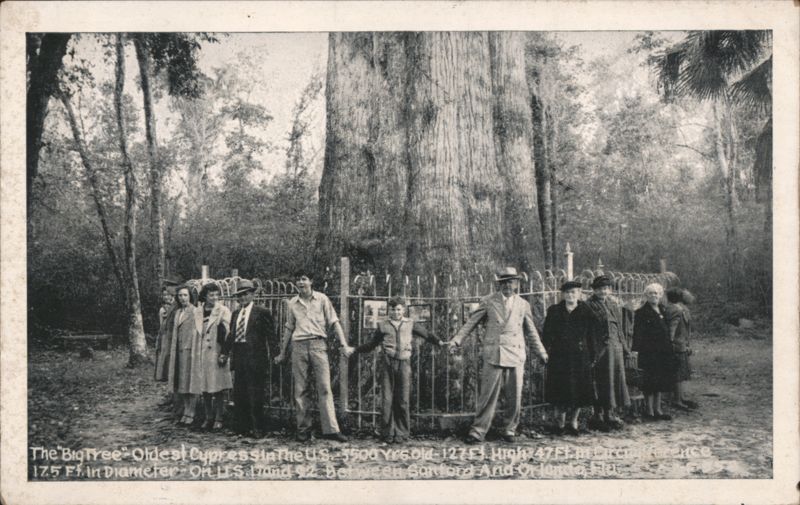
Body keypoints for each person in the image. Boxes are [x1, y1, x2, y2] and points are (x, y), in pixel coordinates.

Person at [448, 267, 549, 444]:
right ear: (499, 284)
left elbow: (531, 331)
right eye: (504, 282)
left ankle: (510, 429)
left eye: (511, 282)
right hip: (494, 353)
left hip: (515, 353)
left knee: (515, 396)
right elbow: (471, 323)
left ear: (517, 284)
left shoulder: (523, 304)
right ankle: (478, 431)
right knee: (487, 395)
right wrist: (457, 340)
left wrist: (541, 352)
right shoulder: (488, 301)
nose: (507, 286)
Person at [347, 297, 444, 444]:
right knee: (387, 399)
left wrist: (439, 342)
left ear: (403, 310)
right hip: (387, 363)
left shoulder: (410, 324)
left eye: (398, 309)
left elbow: (427, 334)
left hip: (404, 363)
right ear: (389, 310)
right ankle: (387, 432)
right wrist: (355, 349)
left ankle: (402, 432)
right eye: (392, 309)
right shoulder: (383, 325)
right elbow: (371, 345)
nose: (396, 312)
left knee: (403, 399)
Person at [274, 272, 354, 442]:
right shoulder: (292, 304)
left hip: (318, 345)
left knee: (324, 387)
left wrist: (343, 344)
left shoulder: (322, 299)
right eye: (298, 279)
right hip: (299, 346)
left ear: (311, 281)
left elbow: (334, 322)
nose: (300, 282)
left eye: (304, 279)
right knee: (300, 389)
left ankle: (331, 430)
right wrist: (282, 352)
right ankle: (303, 429)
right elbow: (289, 328)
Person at [220, 279, 274, 438]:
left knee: (255, 393)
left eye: (245, 294)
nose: (242, 298)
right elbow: (232, 335)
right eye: (239, 296)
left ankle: (258, 428)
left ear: (252, 295)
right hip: (239, 355)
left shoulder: (262, 312)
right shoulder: (236, 313)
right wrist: (224, 352)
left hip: (256, 357)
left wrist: (276, 355)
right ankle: (241, 427)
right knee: (240, 393)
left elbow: (271, 336)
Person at [542, 280, 595, 436]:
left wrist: (592, 355)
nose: (570, 295)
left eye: (574, 292)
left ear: (579, 294)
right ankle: (560, 423)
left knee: (579, 389)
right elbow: (547, 334)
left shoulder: (586, 311)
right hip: (560, 357)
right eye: (567, 293)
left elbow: (592, 336)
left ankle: (573, 422)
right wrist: (545, 351)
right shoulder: (555, 311)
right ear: (563, 294)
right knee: (560, 389)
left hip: (580, 356)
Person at [584, 275, 630, 431]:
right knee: (602, 381)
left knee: (615, 380)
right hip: (600, 350)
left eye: (606, 289)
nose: (603, 292)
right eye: (600, 289)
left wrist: (624, 347)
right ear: (594, 290)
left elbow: (620, 328)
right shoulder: (589, 306)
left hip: (615, 347)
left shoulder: (612, 304)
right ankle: (598, 415)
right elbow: (588, 331)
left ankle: (610, 414)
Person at [632, 283, 674, 421]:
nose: (654, 296)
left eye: (656, 293)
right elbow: (637, 333)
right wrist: (636, 350)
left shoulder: (663, 310)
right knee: (650, 382)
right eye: (650, 293)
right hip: (649, 352)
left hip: (663, 352)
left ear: (660, 295)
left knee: (660, 381)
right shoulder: (641, 312)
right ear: (646, 296)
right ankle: (649, 411)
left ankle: (658, 410)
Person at [165, 285, 203, 426]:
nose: (182, 298)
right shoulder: (178, 312)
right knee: (182, 383)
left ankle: (191, 413)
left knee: (191, 382)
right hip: (179, 352)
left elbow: (198, 333)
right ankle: (185, 411)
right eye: (180, 295)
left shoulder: (196, 311)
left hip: (190, 351)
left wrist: (194, 350)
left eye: (185, 295)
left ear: (190, 296)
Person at [196, 283, 233, 432]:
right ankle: (208, 416)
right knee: (204, 387)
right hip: (201, 352)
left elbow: (228, 332)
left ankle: (219, 417)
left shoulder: (223, 310)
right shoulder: (198, 311)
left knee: (217, 387)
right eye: (211, 295)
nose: (215, 297)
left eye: (216, 294)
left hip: (215, 352)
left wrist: (224, 353)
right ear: (205, 296)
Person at [666, 287, 698, 411]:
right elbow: (673, 330)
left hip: (680, 344)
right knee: (678, 374)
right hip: (678, 345)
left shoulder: (674, 309)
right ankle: (678, 400)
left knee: (680, 373)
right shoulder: (678, 310)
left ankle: (680, 398)